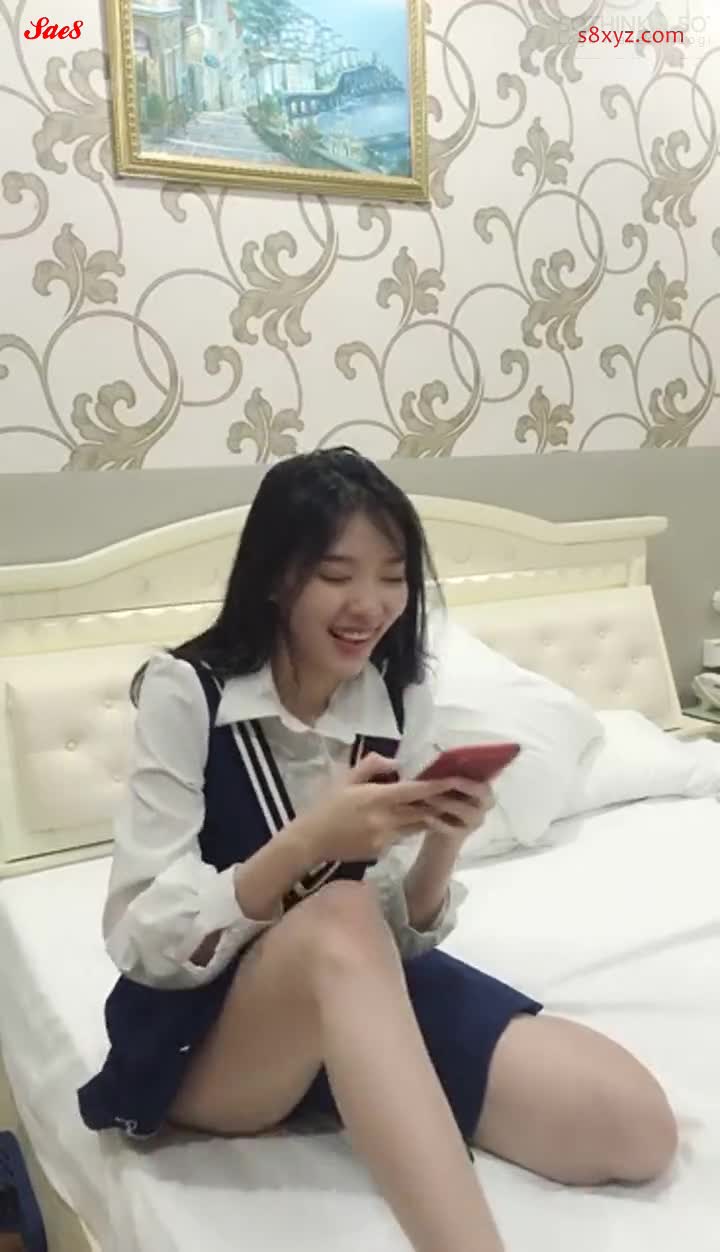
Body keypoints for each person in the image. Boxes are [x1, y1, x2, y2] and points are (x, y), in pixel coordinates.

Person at [78, 448, 677, 1252]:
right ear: (274, 576)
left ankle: (363, 1072)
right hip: (210, 1031)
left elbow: (395, 941)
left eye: (393, 577)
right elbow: (142, 937)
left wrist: (443, 846)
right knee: (340, 908)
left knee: (632, 1127)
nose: (370, 605)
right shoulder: (186, 691)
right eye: (337, 575)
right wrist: (307, 844)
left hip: (355, 983)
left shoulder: (397, 695)